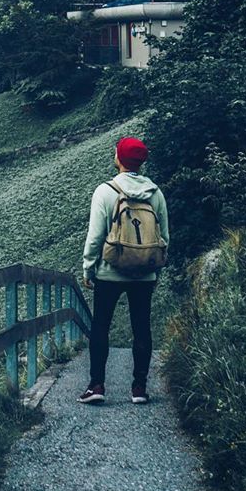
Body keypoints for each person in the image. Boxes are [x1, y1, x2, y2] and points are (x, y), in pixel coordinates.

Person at [78, 136, 168, 405]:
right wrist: (156, 272)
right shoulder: (156, 193)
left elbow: (95, 237)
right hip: (144, 273)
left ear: (118, 159)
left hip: (110, 270)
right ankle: (139, 389)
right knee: (141, 327)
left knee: (100, 326)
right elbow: (163, 237)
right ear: (141, 162)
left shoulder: (105, 191)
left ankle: (97, 386)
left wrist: (88, 268)